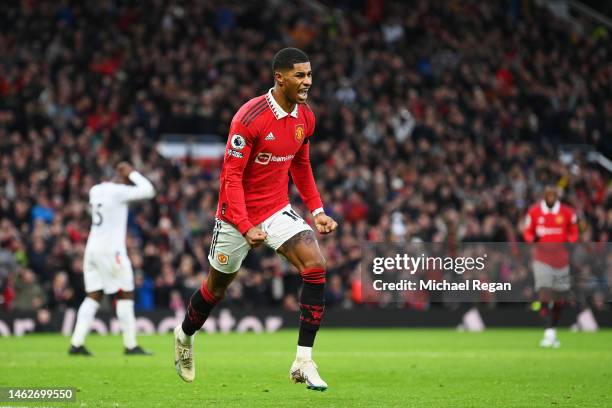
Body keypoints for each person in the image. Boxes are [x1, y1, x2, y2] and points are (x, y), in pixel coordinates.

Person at [173, 47, 338, 391]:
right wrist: (245, 225)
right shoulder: (249, 118)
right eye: (300, 75)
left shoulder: (305, 117)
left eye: (309, 74)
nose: (308, 81)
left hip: (277, 208)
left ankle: (303, 361)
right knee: (215, 289)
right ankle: (185, 336)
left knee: (315, 266)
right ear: (280, 78)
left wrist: (317, 210)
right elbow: (230, 178)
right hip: (236, 215)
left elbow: (301, 165)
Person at [69, 162, 156, 356]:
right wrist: (133, 173)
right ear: (123, 178)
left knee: (94, 294)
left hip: (92, 249)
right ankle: (131, 345)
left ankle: (76, 343)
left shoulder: (95, 190)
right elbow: (149, 190)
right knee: (125, 293)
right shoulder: (118, 191)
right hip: (111, 251)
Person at [523, 185, 578, 348]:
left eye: (553, 194)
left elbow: (574, 232)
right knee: (544, 292)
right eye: (548, 194)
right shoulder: (534, 211)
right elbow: (527, 231)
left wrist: (571, 241)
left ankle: (551, 330)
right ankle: (548, 327)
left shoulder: (567, 212)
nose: (551, 197)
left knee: (560, 299)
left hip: (561, 259)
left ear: (557, 196)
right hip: (542, 258)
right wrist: (531, 239)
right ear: (544, 195)